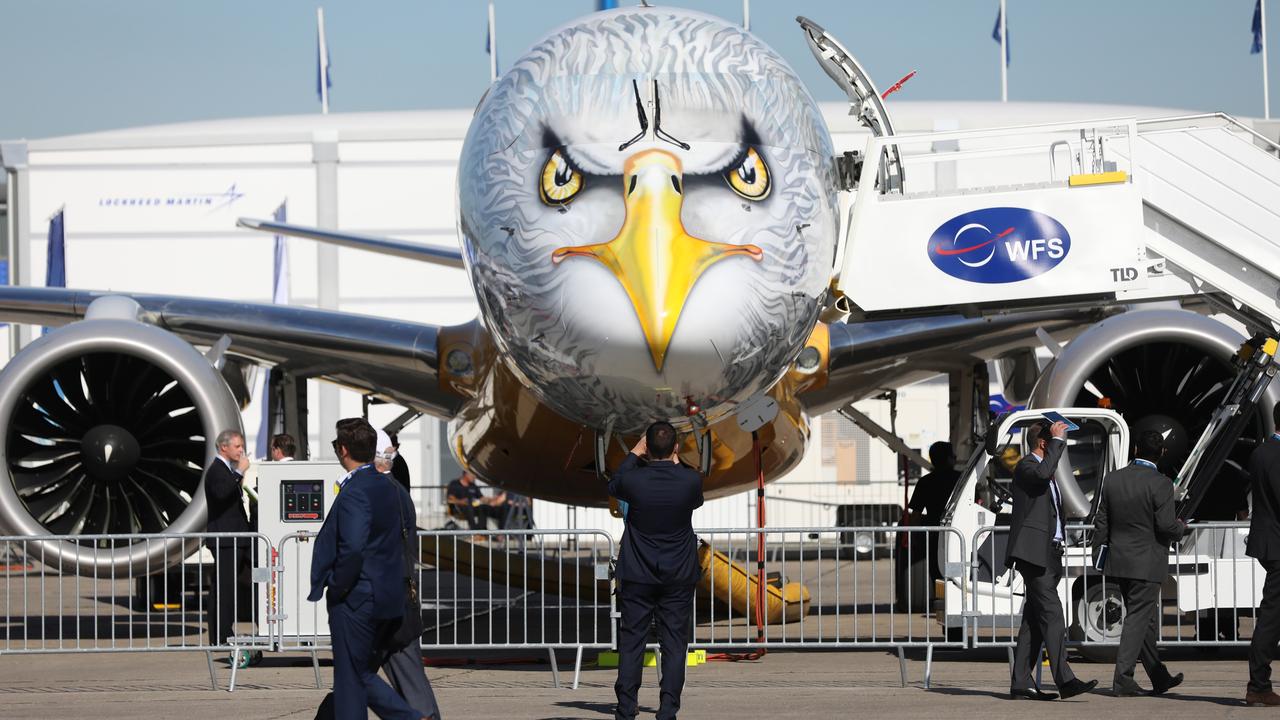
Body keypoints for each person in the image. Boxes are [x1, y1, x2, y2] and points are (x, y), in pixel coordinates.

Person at [308, 418, 422, 720]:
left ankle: (411, 718)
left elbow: (353, 548)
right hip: (386, 594)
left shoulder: (355, 490)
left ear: (343, 450)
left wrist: (339, 585)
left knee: (352, 676)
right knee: (355, 677)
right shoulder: (389, 487)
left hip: (357, 597)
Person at [609, 421, 704, 720]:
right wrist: (674, 459)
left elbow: (615, 482)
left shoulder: (634, 481)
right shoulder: (689, 481)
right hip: (677, 574)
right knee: (674, 644)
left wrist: (636, 452)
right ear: (676, 449)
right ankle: (667, 709)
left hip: (638, 573)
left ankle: (626, 707)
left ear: (647, 447)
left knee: (632, 642)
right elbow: (696, 499)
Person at [1004, 420, 1097, 701]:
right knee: (1054, 615)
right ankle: (1065, 680)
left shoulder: (1045, 471)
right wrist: (1058, 441)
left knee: (1033, 623)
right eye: (1054, 443)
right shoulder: (1027, 466)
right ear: (1043, 444)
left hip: (1049, 554)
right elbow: (1043, 474)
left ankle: (1021, 683)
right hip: (1034, 556)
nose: (1060, 448)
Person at [1092, 430, 1188, 697]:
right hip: (1147, 563)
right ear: (1162, 453)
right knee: (1137, 620)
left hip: (1119, 561)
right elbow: (1166, 525)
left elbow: (1102, 520)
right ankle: (1123, 679)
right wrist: (1181, 528)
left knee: (1143, 621)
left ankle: (1159, 677)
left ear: (1135, 449)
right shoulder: (1161, 483)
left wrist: (1097, 553)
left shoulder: (1113, 479)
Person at [203, 429, 259, 667]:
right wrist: (239, 472)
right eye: (237, 446)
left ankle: (230, 630)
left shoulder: (225, 470)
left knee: (241, 583)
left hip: (238, 538)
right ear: (223, 447)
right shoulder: (217, 470)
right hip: (226, 540)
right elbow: (221, 494)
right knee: (224, 589)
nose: (241, 451)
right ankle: (221, 634)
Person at [1246, 402, 1280, 706]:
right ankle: (1258, 684)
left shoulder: (1261, 452)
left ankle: (1259, 683)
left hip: (1270, 542)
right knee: (1271, 617)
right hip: (1278, 545)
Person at [907, 441, 960, 526]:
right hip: (958, 530)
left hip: (933, 532)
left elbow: (916, 515)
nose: (956, 457)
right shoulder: (960, 479)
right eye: (953, 456)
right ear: (947, 458)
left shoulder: (924, 482)